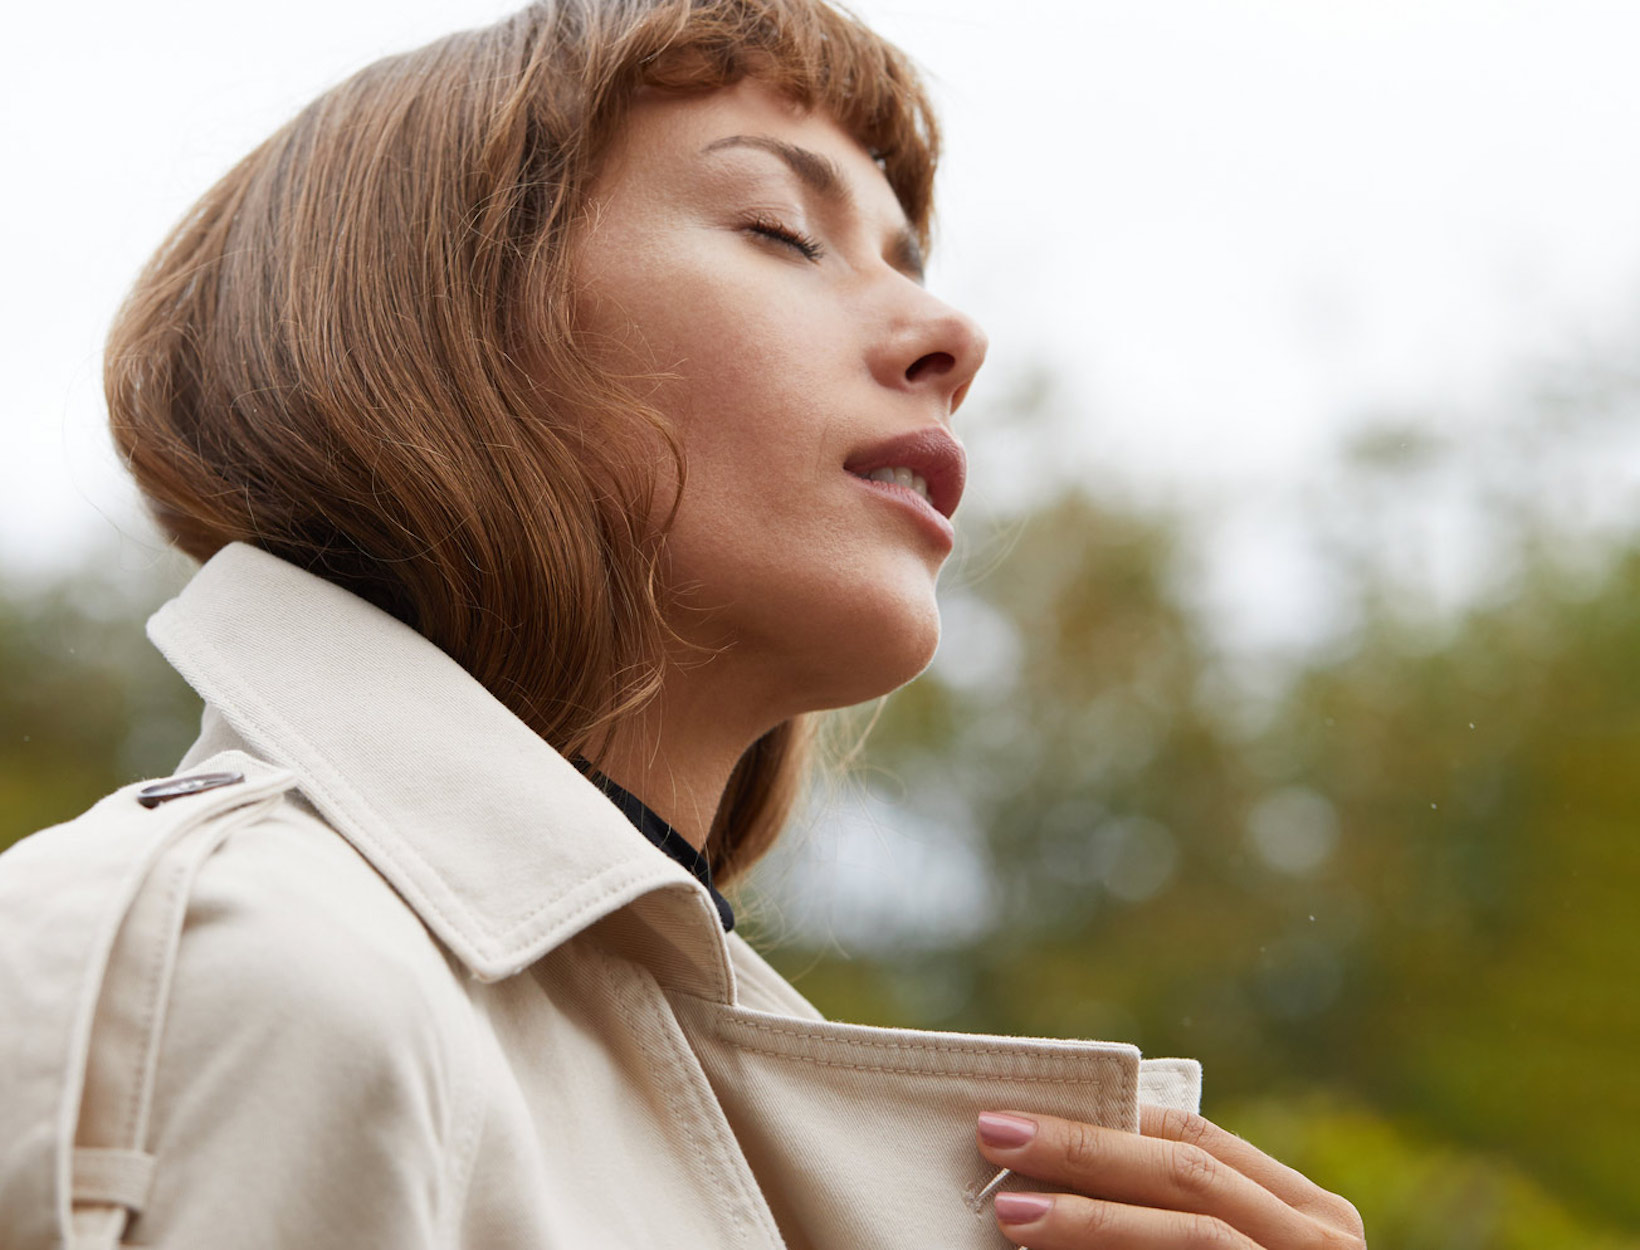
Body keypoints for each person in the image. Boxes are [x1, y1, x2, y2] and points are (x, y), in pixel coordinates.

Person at [0, 1, 1367, 1246]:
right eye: (781, 229)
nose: (954, 332)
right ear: (457, 335)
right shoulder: (242, 967)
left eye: (904, 256)